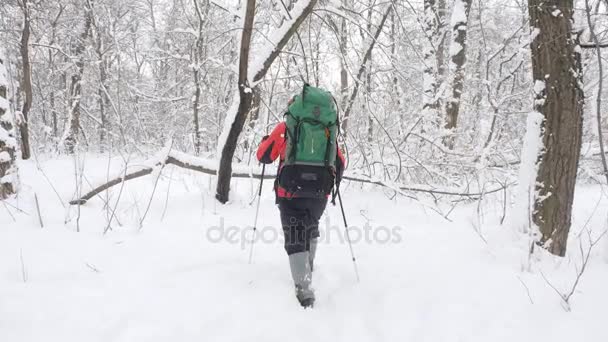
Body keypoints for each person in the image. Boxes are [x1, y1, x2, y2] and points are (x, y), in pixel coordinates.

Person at [256, 90, 345, 308]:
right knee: (310, 226)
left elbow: (264, 156)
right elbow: (340, 162)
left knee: (295, 236)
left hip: (290, 193)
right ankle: (308, 266)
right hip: (319, 193)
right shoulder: (328, 130)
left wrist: (266, 140)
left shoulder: (287, 127)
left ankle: (304, 290)